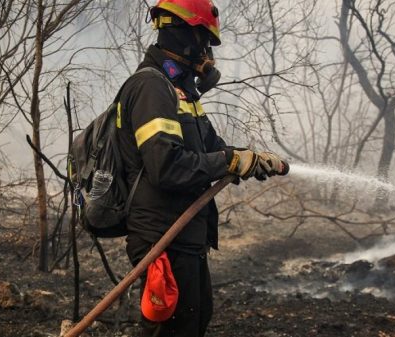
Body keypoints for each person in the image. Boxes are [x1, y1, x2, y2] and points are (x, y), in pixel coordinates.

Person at [114, 0, 285, 336]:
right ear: (184, 35)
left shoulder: (181, 93)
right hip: (162, 236)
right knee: (175, 330)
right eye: (204, 41)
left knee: (195, 318)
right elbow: (166, 167)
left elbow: (211, 149)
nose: (207, 52)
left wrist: (251, 159)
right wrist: (227, 161)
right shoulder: (152, 88)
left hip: (184, 234)